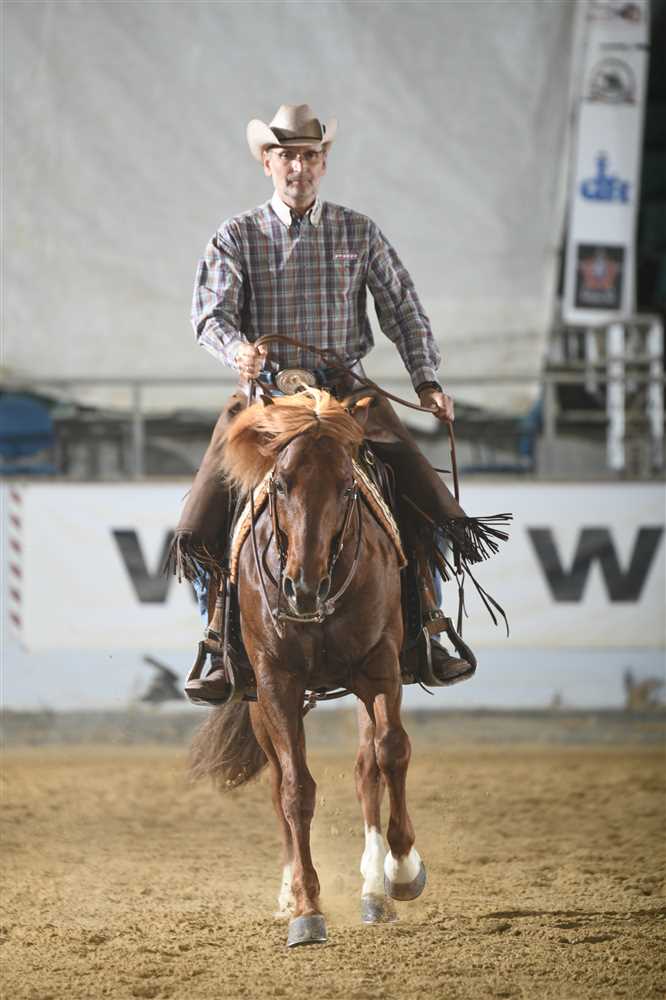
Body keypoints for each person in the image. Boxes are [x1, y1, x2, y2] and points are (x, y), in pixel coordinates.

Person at [169, 104, 508, 702]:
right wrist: (238, 350)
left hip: (348, 400)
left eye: (309, 156)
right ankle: (218, 636)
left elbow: (403, 309)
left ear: (323, 163)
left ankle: (429, 624)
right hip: (268, 403)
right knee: (201, 517)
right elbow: (210, 315)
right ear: (268, 163)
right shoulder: (236, 235)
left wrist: (426, 382)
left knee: (424, 496)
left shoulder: (359, 232)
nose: (297, 167)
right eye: (286, 156)